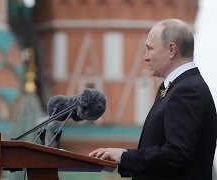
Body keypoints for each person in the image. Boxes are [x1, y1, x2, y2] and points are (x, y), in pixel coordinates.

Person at [89, 18, 217, 180]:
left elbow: (177, 154)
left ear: (171, 50)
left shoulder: (186, 90)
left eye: (150, 49)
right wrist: (125, 155)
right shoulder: (175, 87)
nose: (145, 57)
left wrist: (125, 157)